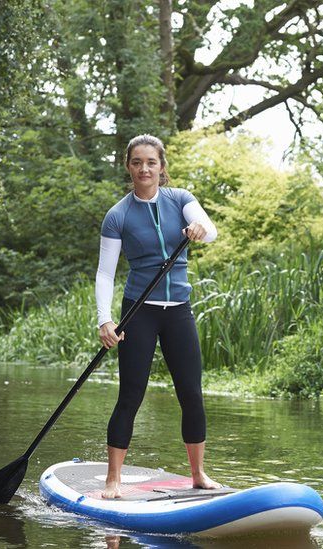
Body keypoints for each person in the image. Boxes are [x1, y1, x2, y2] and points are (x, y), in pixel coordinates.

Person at [95, 134, 221, 498]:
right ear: (128, 167)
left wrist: (199, 229)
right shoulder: (118, 215)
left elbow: (209, 230)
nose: (144, 168)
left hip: (178, 310)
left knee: (191, 393)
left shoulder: (181, 199)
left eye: (151, 162)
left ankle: (198, 474)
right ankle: (113, 479)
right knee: (131, 394)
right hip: (139, 312)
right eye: (137, 162)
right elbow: (105, 274)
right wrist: (105, 320)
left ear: (161, 167)